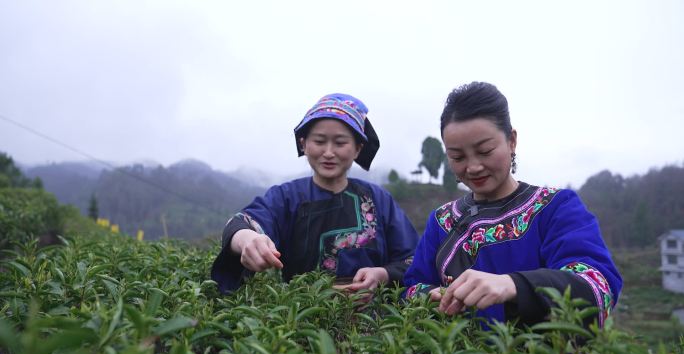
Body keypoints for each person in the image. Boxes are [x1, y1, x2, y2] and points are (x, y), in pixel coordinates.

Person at [403, 82, 622, 327]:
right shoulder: (442, 222)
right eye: (458, 157)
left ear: (512, 141)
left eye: (485, 151)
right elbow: (411, 287)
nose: (473, 167)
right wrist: (430, 296)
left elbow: (597, 284)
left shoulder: (555, 208)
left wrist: (514, 285)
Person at [211, 93, 419, 294]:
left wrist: (383, 273)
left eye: (340, 143)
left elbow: (412, 258)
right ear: (304, 144)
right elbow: (241, 224)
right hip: (302, 318)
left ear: (358, 149)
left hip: (375, 322)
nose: (328, 152)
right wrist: (247, 240)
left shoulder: (378, 199)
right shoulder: (287, 197)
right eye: (319, 141)